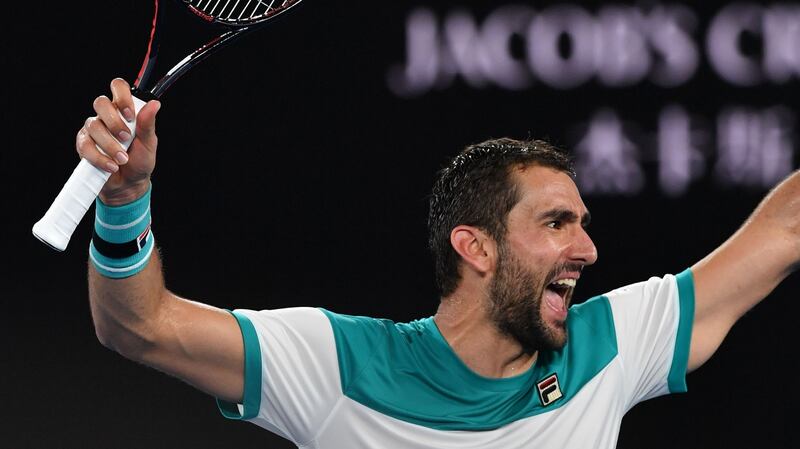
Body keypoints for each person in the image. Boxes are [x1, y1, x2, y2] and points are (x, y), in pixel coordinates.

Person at [79, 79, 799, 449]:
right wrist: (126, 198)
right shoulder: (341, 364)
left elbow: (784, 226)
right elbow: (139, 327)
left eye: (583, 224)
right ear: (475, 246)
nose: (587, 249)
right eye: (556, 223)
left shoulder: (609, 345)